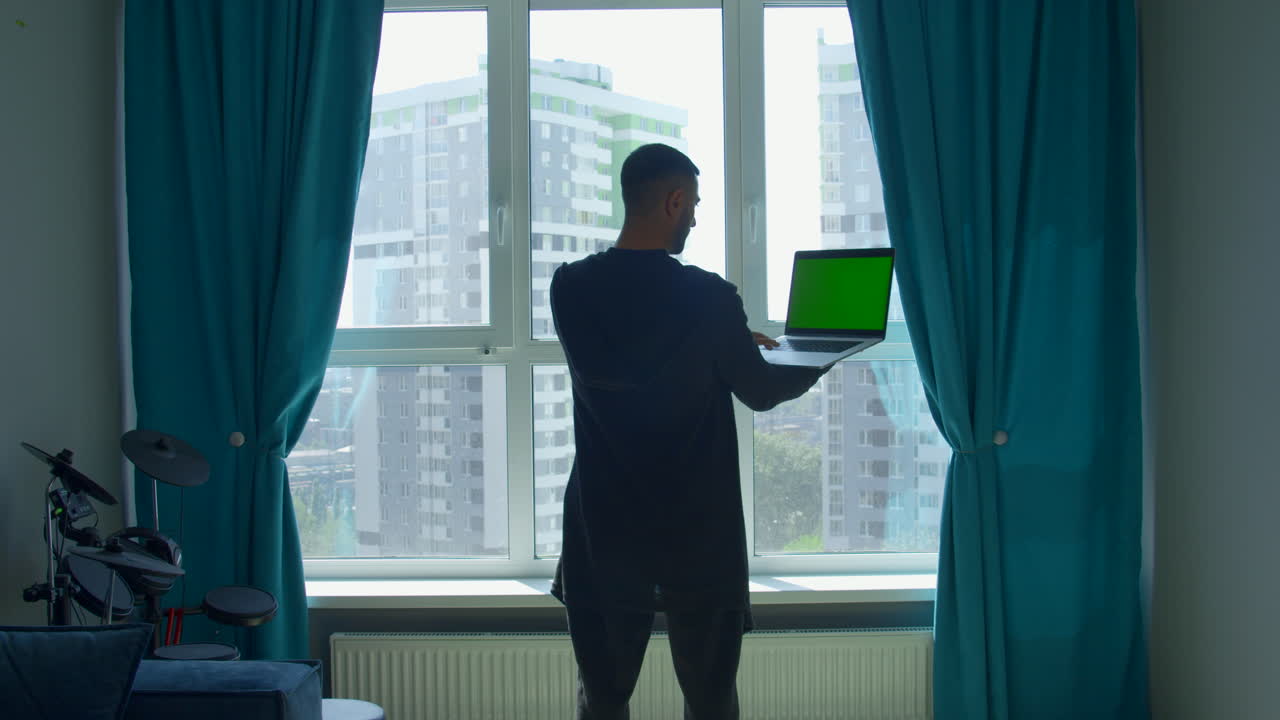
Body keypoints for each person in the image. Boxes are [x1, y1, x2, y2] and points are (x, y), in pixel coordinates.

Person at [550, 143, 827, 719]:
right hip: (697, 534)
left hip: (604, 531)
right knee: (710, 702)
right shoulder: (709, 298)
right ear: (674, 201)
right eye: (695, 204)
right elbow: (760, 390)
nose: (696, 218)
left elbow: (630, 365)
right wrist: (822, 353)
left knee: (601, 700)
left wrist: (721, 345)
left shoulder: (569, 287)